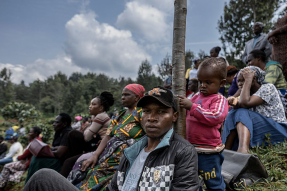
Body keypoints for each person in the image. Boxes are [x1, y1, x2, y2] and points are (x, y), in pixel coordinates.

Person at [23, 86, 199, 191]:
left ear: (174, 116)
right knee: (43, 177)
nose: (152, 117)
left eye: (161, 112)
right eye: (147, 111)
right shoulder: (132, 150)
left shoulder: (182, 151)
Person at [178, 57, 228, 191]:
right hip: (190, 149)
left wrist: (192, 107)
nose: (203, 85)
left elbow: (215, 116)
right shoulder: (195, 97)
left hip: (209, 152)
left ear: (221, 83)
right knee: (191, 181)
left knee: (212, 181)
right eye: (200, 81)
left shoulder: (219, 99)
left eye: (208, 82)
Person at [223, 66, 287, 153]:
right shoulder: (247, 93)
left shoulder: (268, 88)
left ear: (254, 79)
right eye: (238, 81)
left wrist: (248, 81)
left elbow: (245, 103)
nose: (240, 84)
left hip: (278, 130)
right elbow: (238, 106)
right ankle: (225, 151)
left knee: (241, 112)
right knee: (233, 112)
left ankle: (243, 150)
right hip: (261, 129)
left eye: (243, 80)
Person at [60, 91, 114, 177]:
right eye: (90, 104)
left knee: (73, 134)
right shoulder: (97, 116)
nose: (90, 106)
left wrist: (88, 128)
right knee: (73, 134)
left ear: (100, 108)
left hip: (100, 147)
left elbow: (86, 137)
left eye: (93, 104)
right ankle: (73, 157)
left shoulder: (101, 116)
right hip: (96, 144)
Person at [25, 113, 73, 183]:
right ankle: (31, 183)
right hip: (56, 158)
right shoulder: (58, 132)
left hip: (62, 162)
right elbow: (53, 148)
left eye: (56, 122)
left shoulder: (68, 133)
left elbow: (59, 153)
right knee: (35, 158)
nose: (53, 124)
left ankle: (32, 183)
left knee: (37, 160)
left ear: (64, 124)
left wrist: (49, 150)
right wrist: (54, 149)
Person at [247, 49, 287, 114]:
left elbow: (266, 87)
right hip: (268, 96)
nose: (248, 64)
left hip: (282, 96)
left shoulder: (273, 67)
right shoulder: (259, 72)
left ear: (259, 58)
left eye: (250, 60)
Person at [268, 13, 287, 78]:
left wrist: (273, 32)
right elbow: (275, 29)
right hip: (277, 57)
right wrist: (271, 37)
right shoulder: (281, 18)